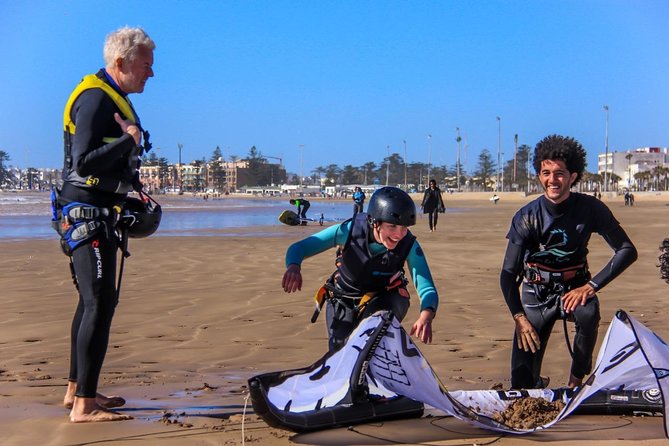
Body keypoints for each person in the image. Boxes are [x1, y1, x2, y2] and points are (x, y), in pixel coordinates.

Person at [56, 27, 156, 422]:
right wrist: (129, 139)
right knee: (99, 303)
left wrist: (133, 188)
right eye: (145, 65)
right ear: (121, 63)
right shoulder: (96, 98)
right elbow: (83, 163)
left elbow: (104, 165)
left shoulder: (111, 95)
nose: (151, 73)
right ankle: (84, 406)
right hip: (86, 215)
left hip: (100, 213)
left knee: (94, 302)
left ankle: (75, 392)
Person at [500, 134, 637, 390]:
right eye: (546, 172)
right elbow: (508, 274)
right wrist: (519, 317)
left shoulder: (590, 208)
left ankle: (577, 380)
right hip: (536, 295)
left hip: (575, 288)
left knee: (588, 312)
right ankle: (535, 380)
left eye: (560, 173)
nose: (552, 180)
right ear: (539, 175)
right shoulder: (526, 217)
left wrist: (591, 286)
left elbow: (627, 250)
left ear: (573, 176)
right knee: (521, 386)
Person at [282, 186, 438, 351]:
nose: (399, 234)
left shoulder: (409, 244)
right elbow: (299, 248)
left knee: (370, 335)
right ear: (374, 221)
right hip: (344, 297)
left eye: (404, 227)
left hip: (387, 298)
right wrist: (293, 266)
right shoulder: (349, 231)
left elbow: (426, 287)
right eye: (392, 226)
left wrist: (426, 315)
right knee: (339, 350)